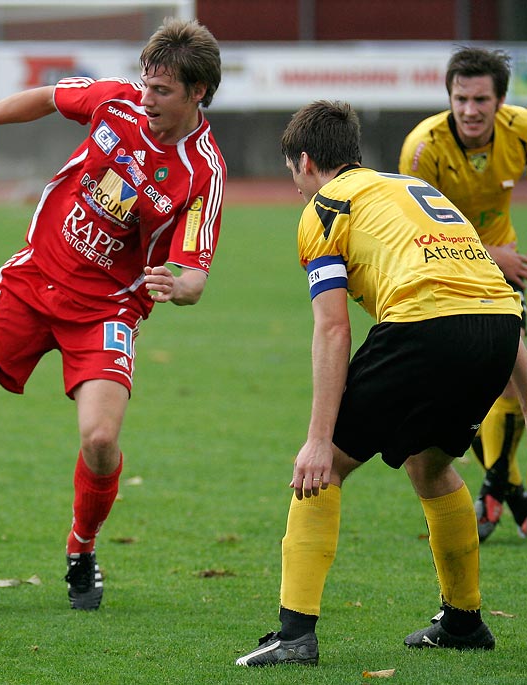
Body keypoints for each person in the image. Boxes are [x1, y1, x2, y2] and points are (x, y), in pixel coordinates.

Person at [0, 18, 225, 609]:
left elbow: (194, 271)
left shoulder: (202, 172)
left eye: (162, 92)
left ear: (197, 94)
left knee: (99, 441)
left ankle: (82, 548)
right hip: (34, 275)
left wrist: (184, 286)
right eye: (146, 83)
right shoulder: (117, 102)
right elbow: (44, 97)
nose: (147, 98)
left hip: (106, 309)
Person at [236, 100, 525, 668]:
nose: (295, 187)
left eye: (293, 173)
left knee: (325, 469)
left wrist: (320, 437)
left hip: (425, 325)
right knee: (432, 465)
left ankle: (294, 633)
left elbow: (332, 327)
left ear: (306, 161)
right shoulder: (410, 187)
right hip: (499, 325)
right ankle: (464, 622)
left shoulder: (325, 205)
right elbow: (484, 288)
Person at [399, 47, 527, 542]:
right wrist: (494, 254)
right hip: (444, 272)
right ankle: (509, 489)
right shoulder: (422, 149)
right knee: (487, 381)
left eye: (480, 99)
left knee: (514, 378)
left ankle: (495, 486)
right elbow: (413, 229)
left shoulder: (519, 130)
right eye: (460, 98)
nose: (470, 110)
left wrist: (501, 256)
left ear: (500, 101)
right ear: (448, 97)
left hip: (503, 266)